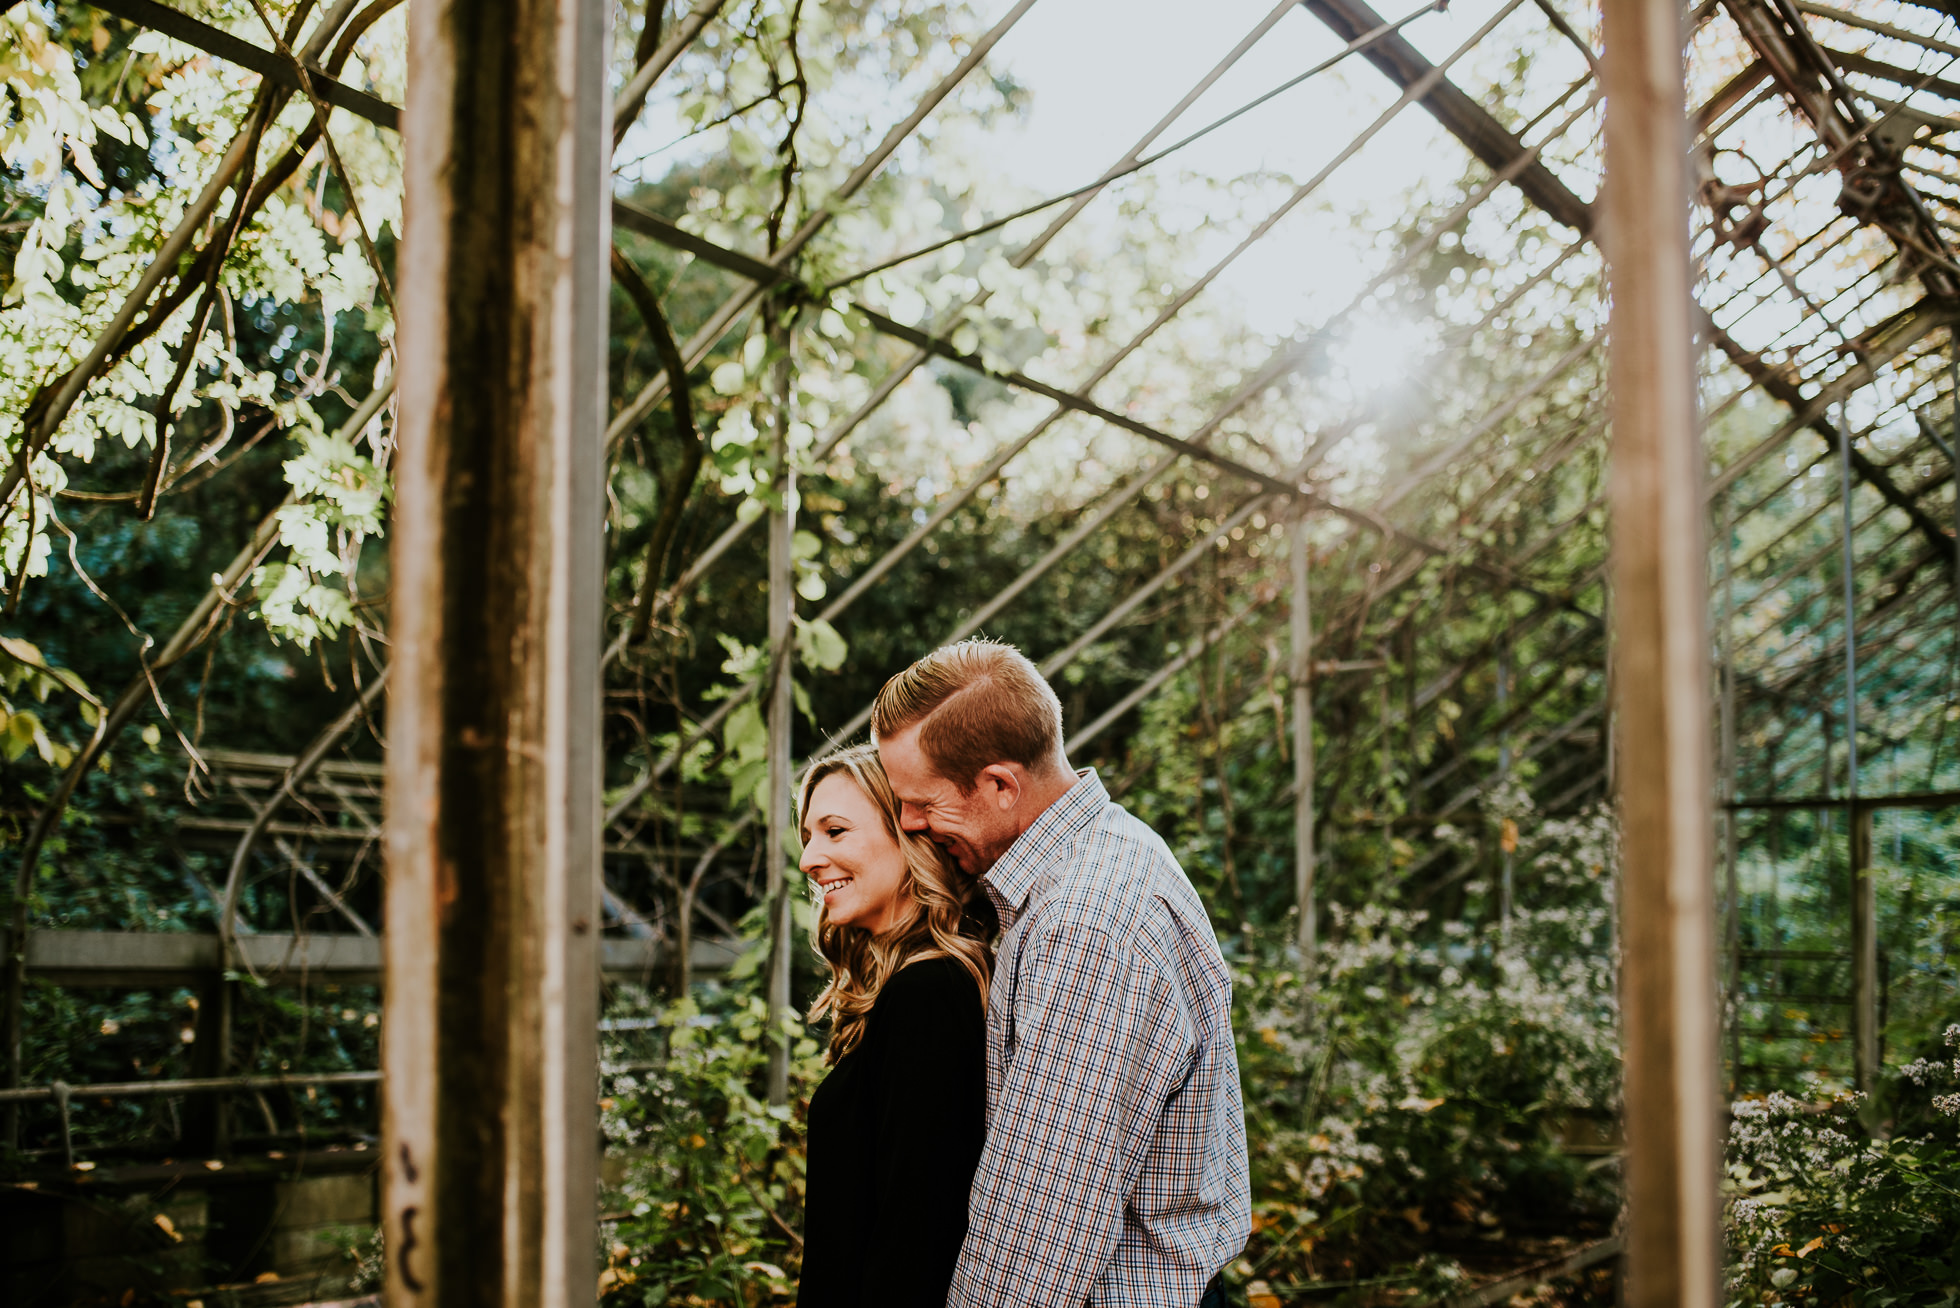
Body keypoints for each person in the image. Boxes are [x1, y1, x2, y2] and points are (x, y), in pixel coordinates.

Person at [872, 638, 1251, 1308]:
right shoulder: (1100, 858)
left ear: (999, 785)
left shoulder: (1087, 921)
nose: (908, 823)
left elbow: (1037, 1232)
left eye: (922, 802)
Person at [793, 743, 997, 1308]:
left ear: (908, 839)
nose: (810, 858)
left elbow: (917, 1236)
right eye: (808, 836)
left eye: (835, 831)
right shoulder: (904, 988)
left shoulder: (928, 994)